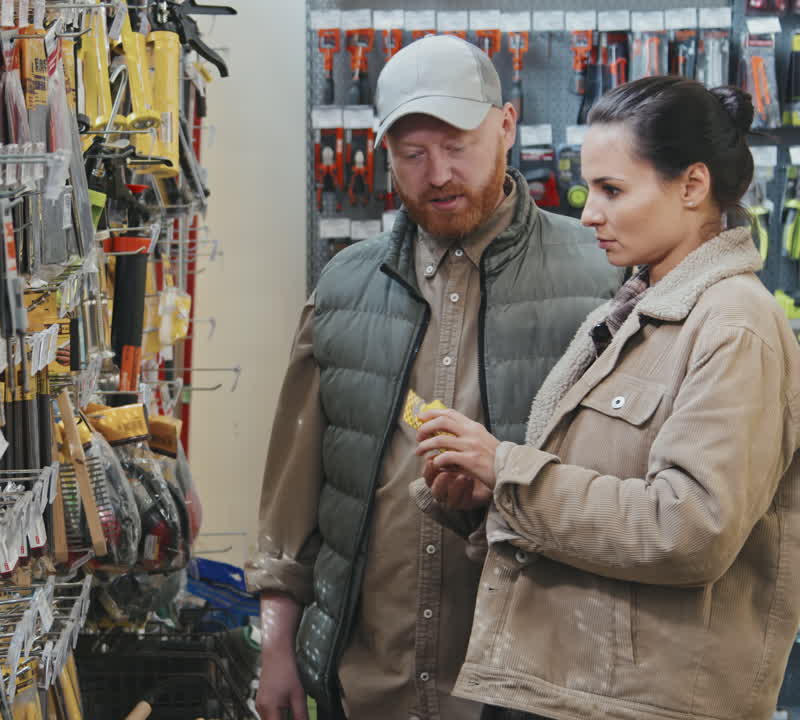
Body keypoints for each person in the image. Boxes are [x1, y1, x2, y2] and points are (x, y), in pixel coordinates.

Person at [246, 35, 620, 720]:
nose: (439, 174)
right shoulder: (343, 286)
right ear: (385, 152)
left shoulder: (601, 279)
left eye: (458, 146)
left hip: (531, 689)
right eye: (413, 155)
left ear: (506, 125)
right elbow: (290, 501)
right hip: (368, 687)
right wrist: (276, 649)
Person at [413, 76, 800, 720]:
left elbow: (689, 530)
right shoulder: (631, 311)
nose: (588, 212)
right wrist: (491, 498)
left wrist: (510, 469)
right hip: (573, 688)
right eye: (589, 188)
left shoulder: (734, 325)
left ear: (693, 186)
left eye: (612, 190)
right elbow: (601, 501)